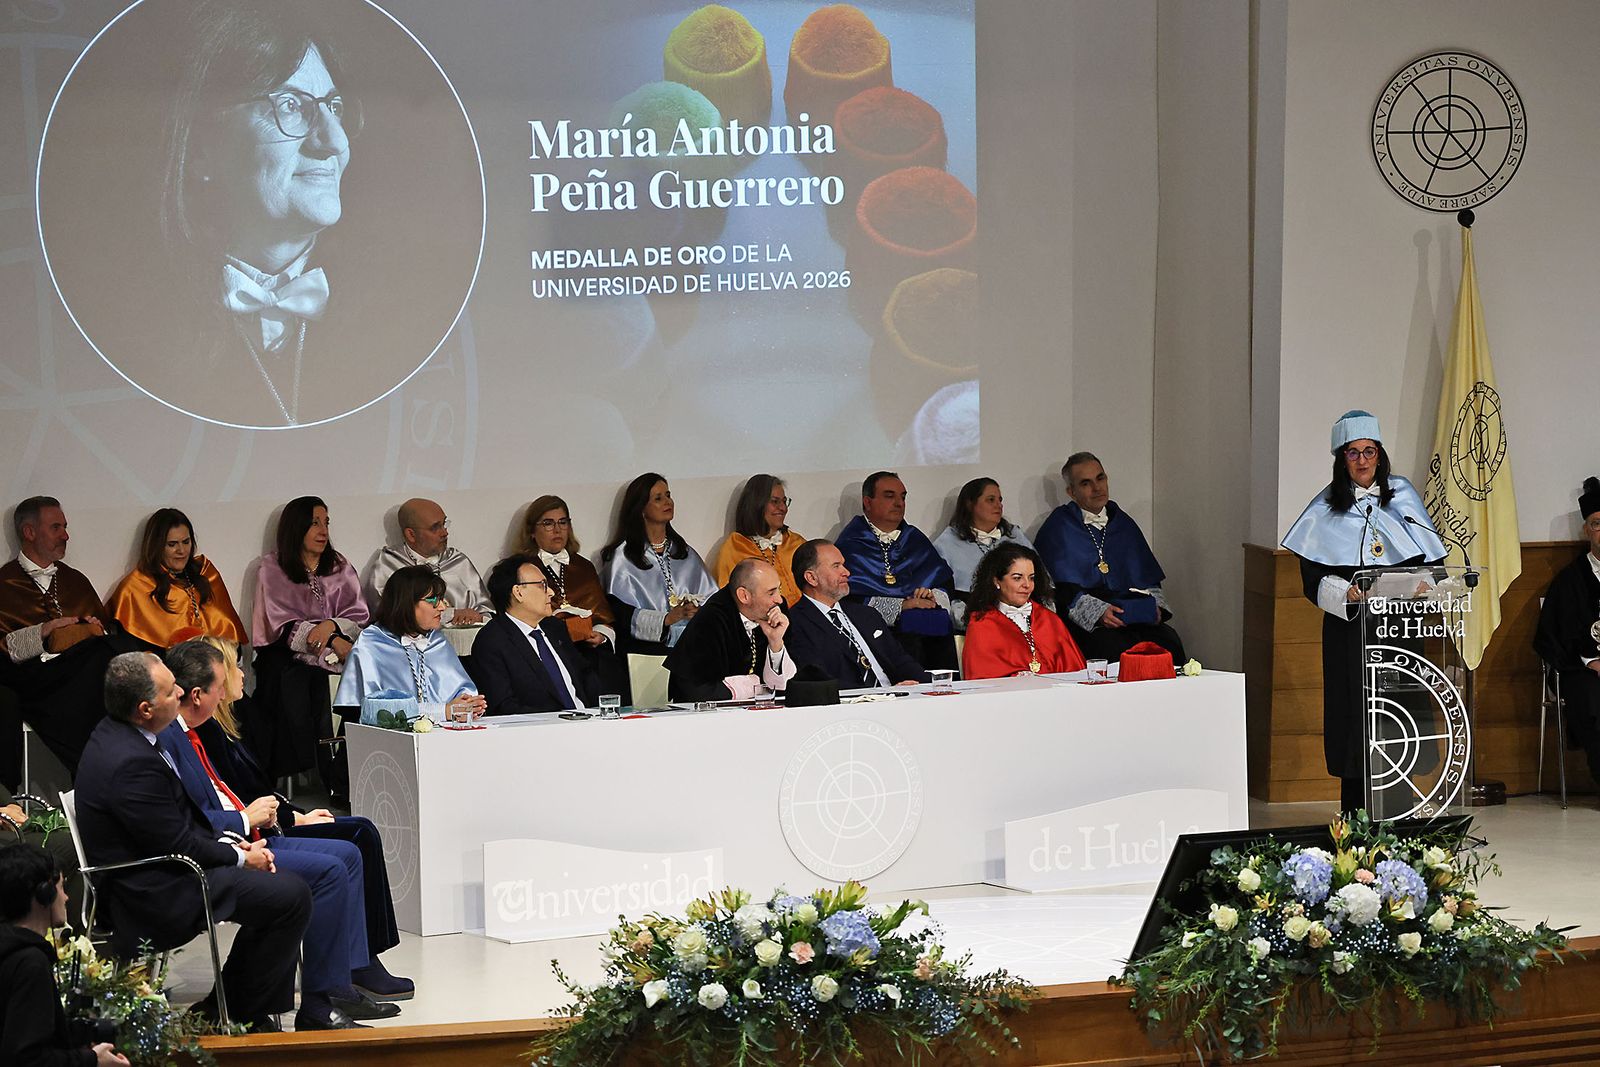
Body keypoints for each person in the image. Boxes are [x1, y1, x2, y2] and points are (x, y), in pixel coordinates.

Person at [158, 641, 394, 1028]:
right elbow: (191, 816)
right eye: (230, 674)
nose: (237, 680)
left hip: (241, 833)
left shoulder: (192, 731)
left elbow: (220, 794)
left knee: (350, 850)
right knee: (332, 866)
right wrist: (247, 824)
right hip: (212, 854)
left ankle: (341, 978)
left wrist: (258, 818)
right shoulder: (174, 737)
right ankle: (318, 998)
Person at [146, 2, 360, 427]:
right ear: (204, 146)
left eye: (333, 106)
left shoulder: (395, 309)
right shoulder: (138, 325)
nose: (333, 141)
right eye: (291, 105)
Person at [74, 653, 312, 1032]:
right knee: (289, 896)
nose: (182, 692)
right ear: (145, 708)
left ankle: (236, 1007)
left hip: (163, 866)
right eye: (171, 691)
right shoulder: (130, 762)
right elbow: (178, 841)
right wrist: (239, 857)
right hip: (151, 888)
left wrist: (238, 845)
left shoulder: (122, 732)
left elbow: (178, 825)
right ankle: (233, 1011)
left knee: (281, 890)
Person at [1281, 410, 1446, 813]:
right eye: (1352, 453)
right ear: (1342, 460)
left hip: (1399, 627)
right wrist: (1348, 594)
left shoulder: (1403, 496)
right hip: (1350, 632)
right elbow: (1313, 578)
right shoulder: (1323, 509)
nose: (1362, 460)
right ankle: (1356, 817)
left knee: (1399, 715)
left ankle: (1401, 812)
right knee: (1357, 722)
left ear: (1379, 454)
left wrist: (1427, 584)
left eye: (1368, 451)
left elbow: (1435, 561)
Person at [0, 497, 129, 775]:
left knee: (113, 649)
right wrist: (44, 631)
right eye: (56, 527)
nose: (66, 535)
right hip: (36, 681)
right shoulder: (4, 583)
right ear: (29, 532)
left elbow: (101, 628)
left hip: (79, 673)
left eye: (65, 527)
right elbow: (3, 650)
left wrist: (90, 628)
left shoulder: (75, 580)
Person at [249, 496, 368, 791]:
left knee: (367, 673)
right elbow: (277, 622)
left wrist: (333, 629)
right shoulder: (272, 567)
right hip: (286, 653)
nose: (322, 530)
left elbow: (358, 615)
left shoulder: (339, 565)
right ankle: (316, 774)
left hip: (342, 646)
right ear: (296, 527)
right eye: (314, 523)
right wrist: (327, 638)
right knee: (294, 681)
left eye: (326, 522)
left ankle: (346, 772)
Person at [1034, 453, 1186, 663]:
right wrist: (1098, 612)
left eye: (1100, 478)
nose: (1097, 488)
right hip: (1090, 624)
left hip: (1133, 617)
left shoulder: (1123, 523)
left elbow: (1147, 577)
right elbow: (1057, 589)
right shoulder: (1058, 527)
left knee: (1169, 643)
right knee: (1111, 649)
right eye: (1086, 483)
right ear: (1072, 492)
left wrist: (1156, 609)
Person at [0, 842, 129, 1066]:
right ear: (44, 895)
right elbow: (27, 1059)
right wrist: (93, 1060)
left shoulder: (10, 947)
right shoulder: (30, 963)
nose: (67, 898)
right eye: (61, 888)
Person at [833, 472, 957, 670]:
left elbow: (943, 581)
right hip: (878, 639)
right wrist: (901, 606)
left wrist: (932, 597)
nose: (899, 503)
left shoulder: (915, 539)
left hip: (928, 639)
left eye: (903, 497)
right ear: (867, 502)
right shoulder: (850, 543)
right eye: (890, 496)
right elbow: (846, 598)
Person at [335, 566, 484, 723]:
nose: (442, 607)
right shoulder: (371, 644)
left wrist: (470, 706)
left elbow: (462, 693)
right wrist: (443, 711)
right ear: (406, 602)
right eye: (433, 600)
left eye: (441, 599)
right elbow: (368, 711)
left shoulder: (437, 641)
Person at [784, 540, 927, 689]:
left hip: (898, 700)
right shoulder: (795, 623)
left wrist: (930, 685)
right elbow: (818, 680)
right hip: (851, 707)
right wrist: (882, 695)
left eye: (843, 565)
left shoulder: (866, 614)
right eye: (836, 566)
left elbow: (900, 660)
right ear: (812, 578)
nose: (846, 572)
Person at [519, 496, 625, 697]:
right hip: (548, 651)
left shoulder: (584, 567)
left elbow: (603, 615)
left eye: (563, 522)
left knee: (607, 669)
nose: (557, 530)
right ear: (532, 531)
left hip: (588, 651)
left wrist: (600, 635)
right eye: (548, 524)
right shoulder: (523, 569)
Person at [600, 474, 717, 653]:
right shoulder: (622, 558)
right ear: (641, 508)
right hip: (648, 651)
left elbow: (712, 599)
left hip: (693, 646)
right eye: (658, 498)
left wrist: (696, 611)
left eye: (668, 495)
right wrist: (666, 619)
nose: (667, 502)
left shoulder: (684, 552)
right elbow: (621, 615)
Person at [1534, 477, 1600, 786]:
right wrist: (1590, 661)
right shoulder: (1569, 581)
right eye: (1597, 524)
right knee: (1591, 695)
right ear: (1586, 530)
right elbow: (1553, 636)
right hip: (1583, 670)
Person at [470, 556, 597, 715]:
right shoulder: (492, 641)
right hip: (539, 732)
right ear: (518, 592)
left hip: (588, 723)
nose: (550, 592)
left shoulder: (554, 628)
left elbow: (585, 676)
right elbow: (503, 706)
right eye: (542, 586)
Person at [108, 508, 247, 649]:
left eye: (186, 542)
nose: (181, 551)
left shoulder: (205, 573)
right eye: (172, 544)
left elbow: (231, 635)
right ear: (156, 547)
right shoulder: (136, 587)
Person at [665, 559, 798, 702]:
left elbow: (788, 685)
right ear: (744, 596)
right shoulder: (712, 619)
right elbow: (695, 691)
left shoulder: (776, 612)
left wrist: (775, 642)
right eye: (771, 593)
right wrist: (748, 685)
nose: (779, 599)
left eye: (779, 589)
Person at [961, 544, 1085, 679]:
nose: (1027, 585)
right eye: (1017, 578)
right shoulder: (981, 624)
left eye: (1031, 578)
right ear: (997, 581)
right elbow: (984, 678)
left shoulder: (1049, 619)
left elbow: (1075, 670)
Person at [365, 498, 491, 625]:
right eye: (435, 527)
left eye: (444, 524)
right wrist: (450, 615)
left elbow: (486, 612)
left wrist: (477, 617)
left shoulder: (458, 561)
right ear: (411, 535)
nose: (445, 533)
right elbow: (389, 615)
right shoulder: (389, 565)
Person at [932, 477, 1034, 628]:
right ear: (970, 504)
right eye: (990, 500)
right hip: (976, 616)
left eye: (1000, 500)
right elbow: (942, 592)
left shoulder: (1014, 535)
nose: (998, 505)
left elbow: (1039, 574)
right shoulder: (947, 542)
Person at [712, 475, 806, 606]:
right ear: (756, 504)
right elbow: (728, 602)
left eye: (784, 501)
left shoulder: (796, 542)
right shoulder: (735, 548)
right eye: (775, 501)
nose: (783, 508)